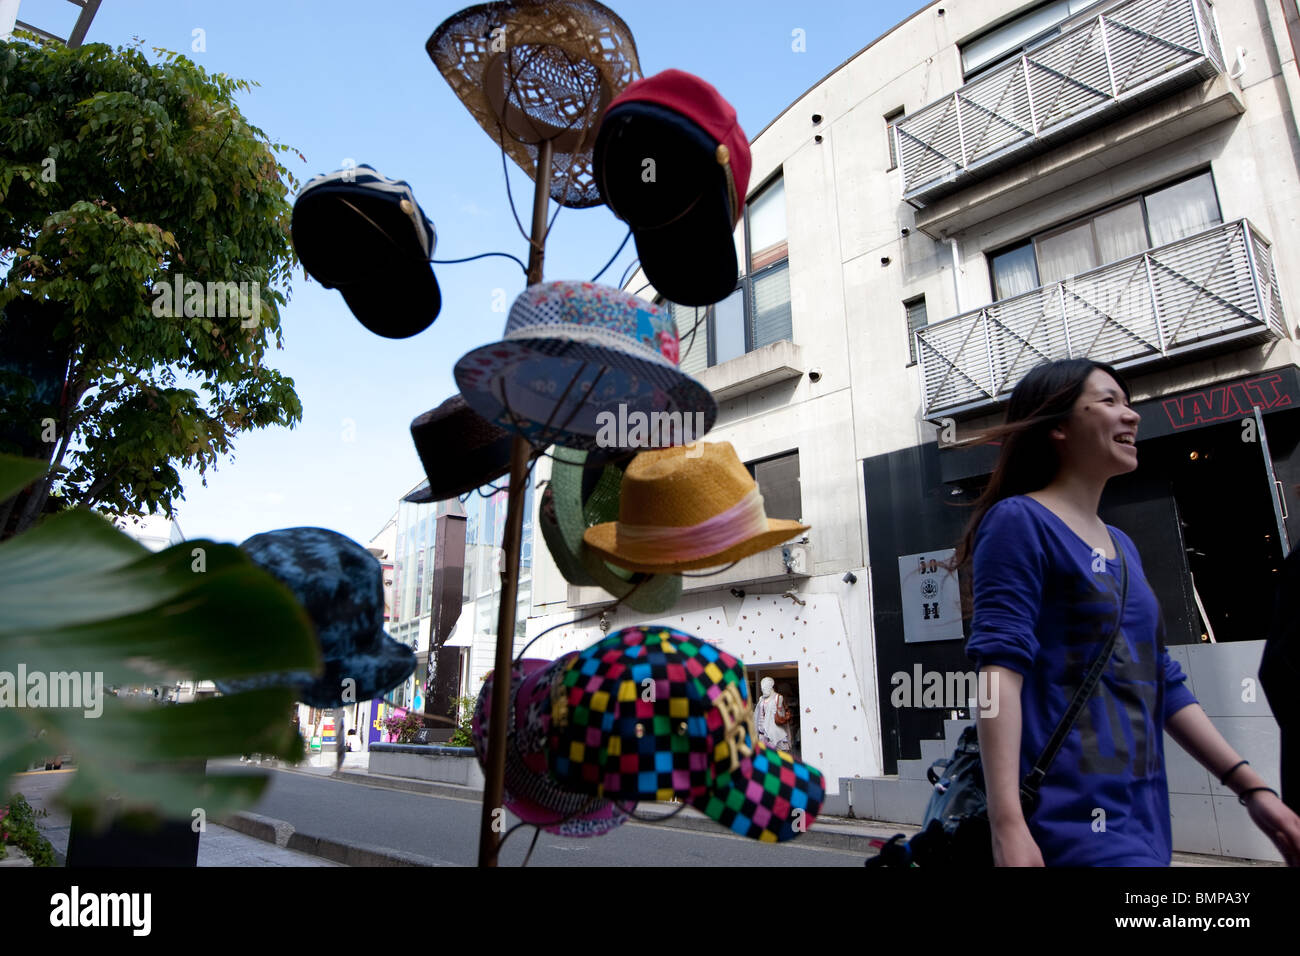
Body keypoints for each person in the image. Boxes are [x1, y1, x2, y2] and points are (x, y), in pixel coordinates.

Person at [955, 358, 1300, 866]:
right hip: (1064, 828)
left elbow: (1160, 678)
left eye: (1129, 402)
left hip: (1145, 823)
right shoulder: (1018, 521)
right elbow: (995, 672)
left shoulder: (1122, 546)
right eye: (1109, 401)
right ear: (1057, 426)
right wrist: (1008, 822)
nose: (1132, 415)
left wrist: (1252, 789)